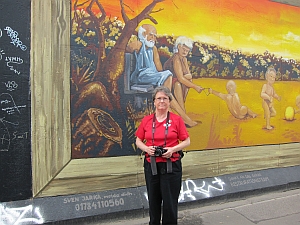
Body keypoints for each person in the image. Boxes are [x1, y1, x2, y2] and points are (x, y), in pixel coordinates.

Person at [135, 86, 190, 225]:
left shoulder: (177, 120)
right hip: (152, 165)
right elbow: (138, 140)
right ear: (154, 101)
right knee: (153, 199)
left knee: (170, 200)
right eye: (159, 98)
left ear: (169, 101)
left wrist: (172, 149)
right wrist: (147, 149)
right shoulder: (146, 120)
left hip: (171, 165)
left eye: (165, 98)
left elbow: (187, 141)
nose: (162, 101)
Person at [126, 24, 197, 127]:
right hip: (141, 76)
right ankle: (177, 115)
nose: (154, 38)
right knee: (168, 76)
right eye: (151, 35)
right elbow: (126, 50)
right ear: (143, 34)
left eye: (155, 36)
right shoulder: (138, 44)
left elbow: (159, 68)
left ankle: (176, 114)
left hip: (153, 76)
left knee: (166, 82)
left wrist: (163, 74)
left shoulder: (153, 49)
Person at [163, 36, 203, 112]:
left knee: (187, 79)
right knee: (178, 83)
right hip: (167, 82)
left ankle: (182, 107)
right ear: (178, 47)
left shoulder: (184, 59)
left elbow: (189, 75)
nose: (185, 52)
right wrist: (195, 87)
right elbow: (180, 78)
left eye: (187, 51)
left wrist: (184, 77)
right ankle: (182, 110)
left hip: (177, 81)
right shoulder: (176, 58)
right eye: (184, 49)